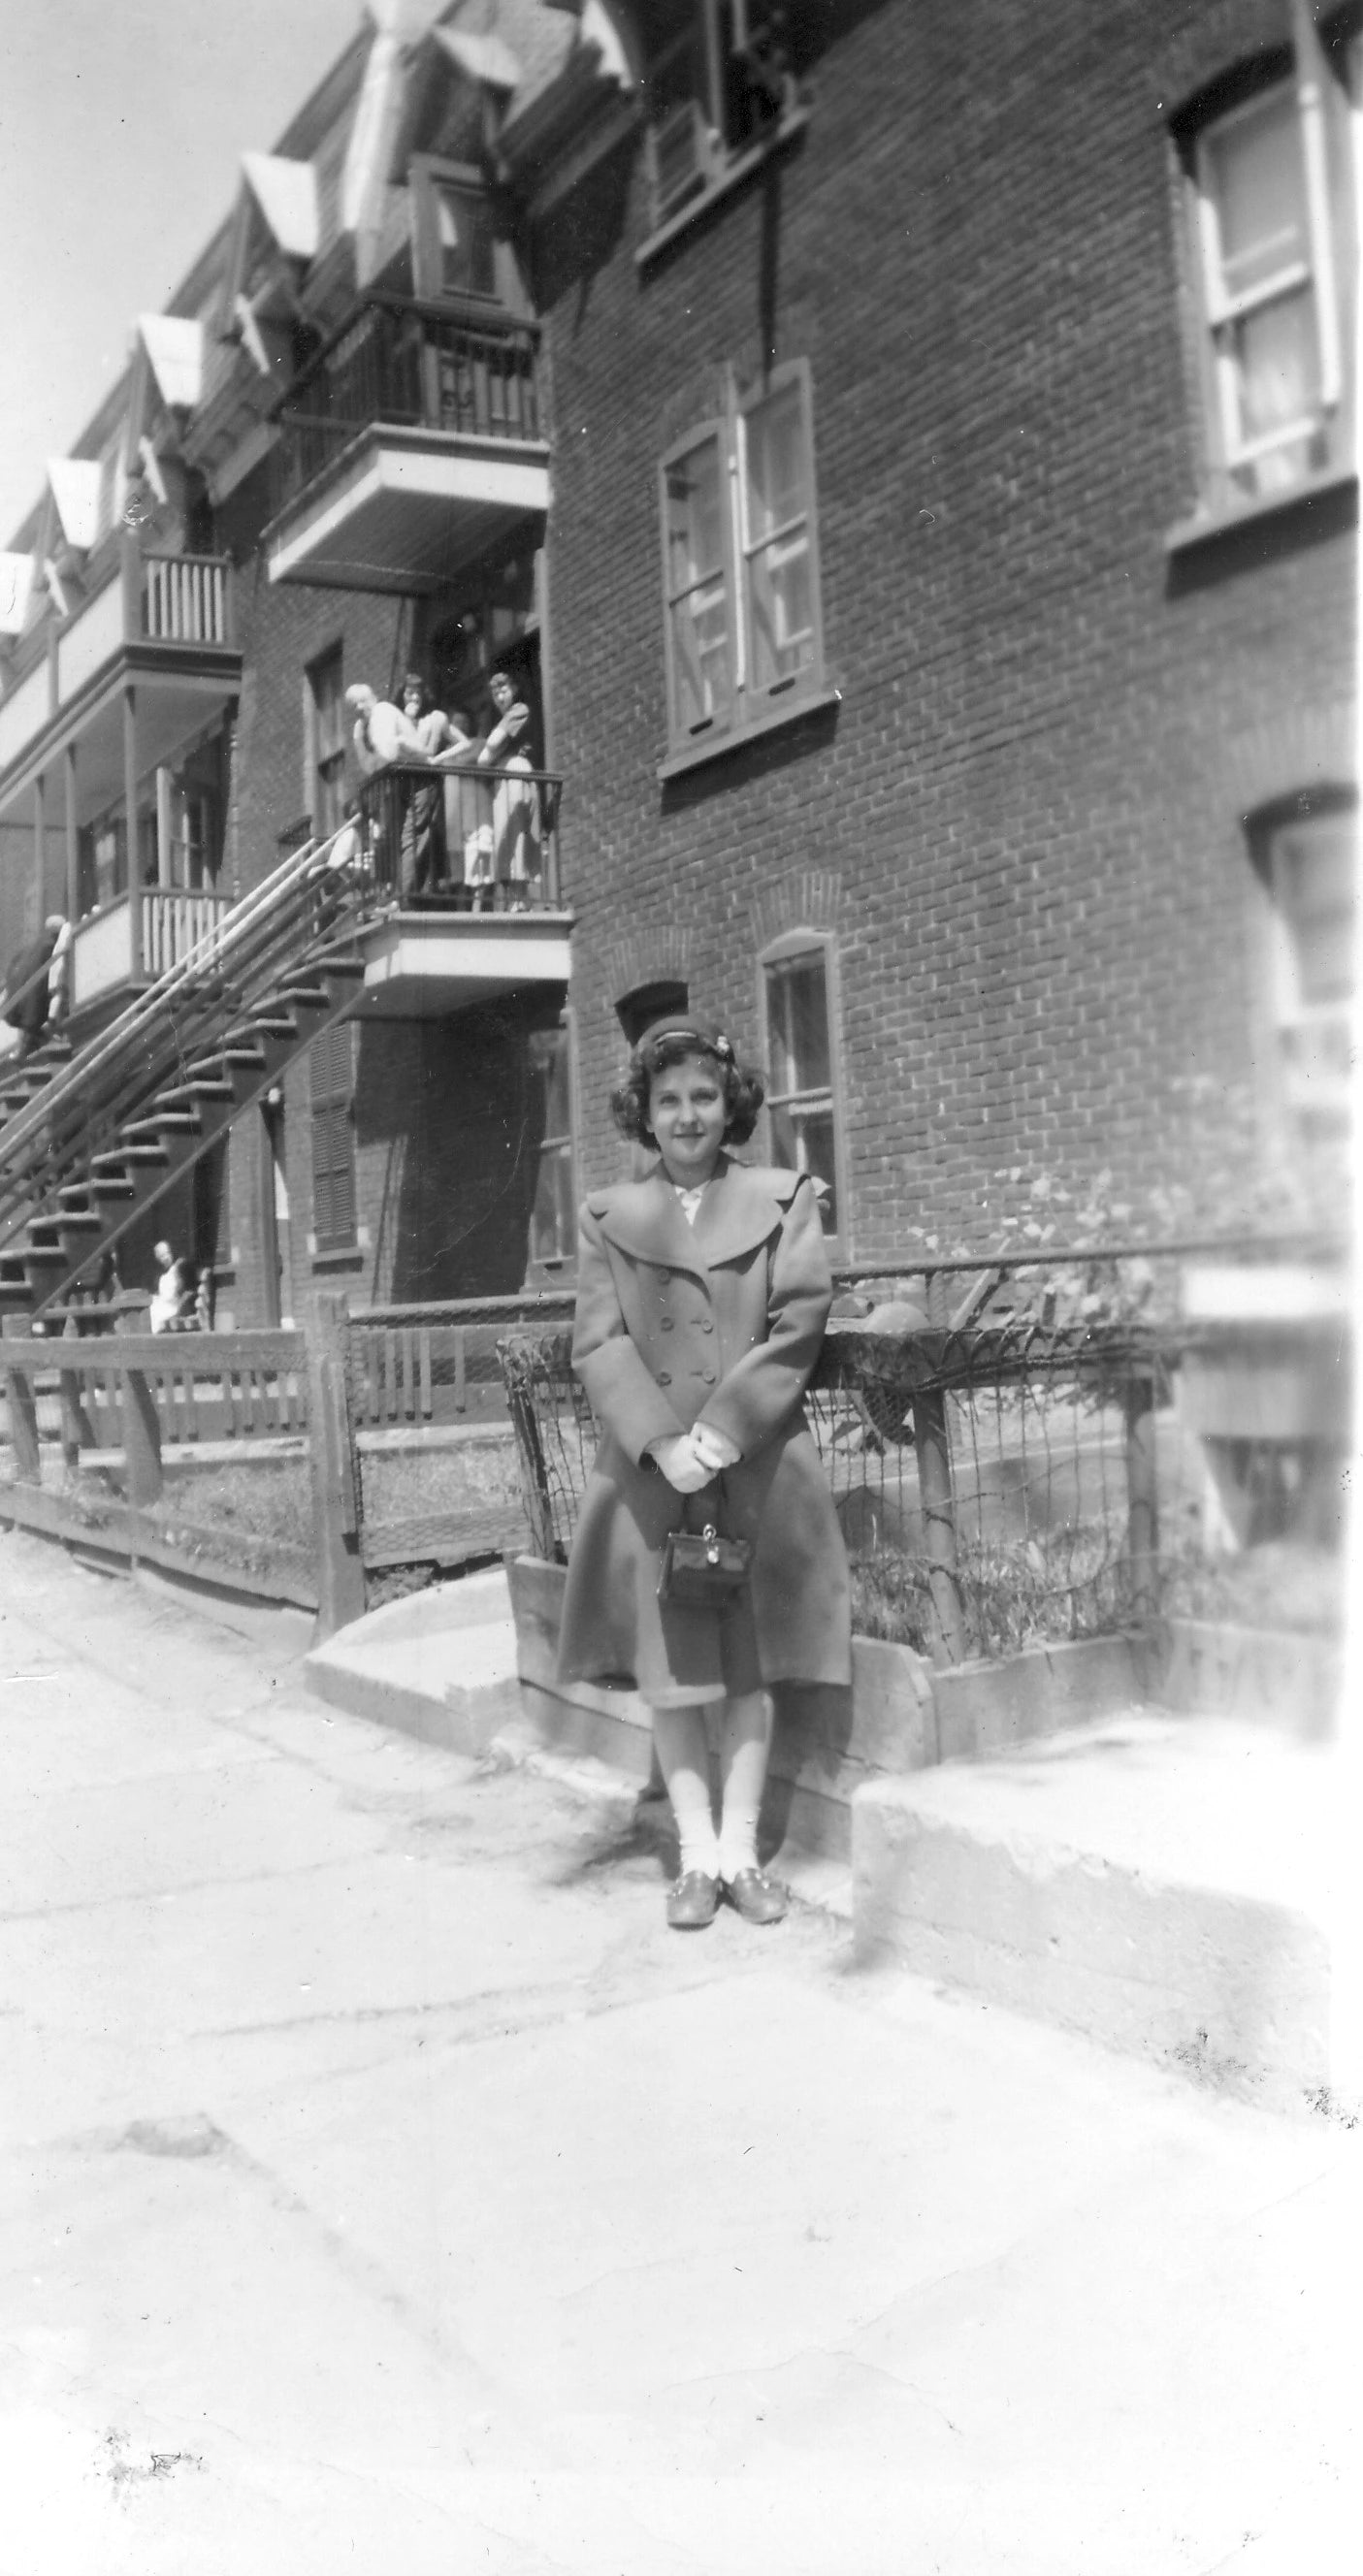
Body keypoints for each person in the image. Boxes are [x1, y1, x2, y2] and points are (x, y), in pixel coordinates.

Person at [555, 1014, 851, 1930]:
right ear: (644, 1113)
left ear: (730, 1109)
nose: (686, 1116)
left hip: (755, 1462)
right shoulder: (608, 1215)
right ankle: (692, 1859)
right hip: (653, 1474)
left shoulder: (782, 1197)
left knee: (750, 1666)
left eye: (703, 1098)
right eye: (667, 1099)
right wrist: (661, 1443)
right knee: (674, 1672)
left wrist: (720, 1434)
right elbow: (598, 1344)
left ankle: (739, 1854)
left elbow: (799, 1317)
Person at [343, 683, 428, 899]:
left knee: (409, 837)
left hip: (418, 780)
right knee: (388, 837)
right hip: (394, 782)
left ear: (373, 698)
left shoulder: (382, 711)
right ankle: (392, 894)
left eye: (362, 701)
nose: (359, 708)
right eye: (354, 705)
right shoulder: (363, 727)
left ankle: (405, 897)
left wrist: (384, 753)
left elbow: (388, 753)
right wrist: (363, 744)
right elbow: (368, 766)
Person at [476, 665, 541, 908]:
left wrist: (489, 751)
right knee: (504, 838)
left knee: (515, 834)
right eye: (495, 694)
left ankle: (521, 900)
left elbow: (489, 748)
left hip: (515, 775)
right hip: (503, 780)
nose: (500, 697)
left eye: (503, 690)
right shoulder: (502, 718)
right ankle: (514, 901)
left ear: (514, 688)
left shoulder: (519, 710)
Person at [148, 1240, 198, 1335]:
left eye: (167, 1253)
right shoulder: (161, 1274)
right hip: (164, 1306)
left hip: (177, 1308)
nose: (166, 1258)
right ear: (158, 1259)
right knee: (150, 1311)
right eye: (162, 1256)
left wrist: (179, 1308)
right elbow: (160, 1293)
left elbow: (189, 1291)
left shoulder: (180, 1267)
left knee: (154, 1314)